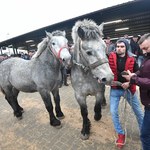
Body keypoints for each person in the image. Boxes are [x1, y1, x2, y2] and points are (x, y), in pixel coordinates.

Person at [108, 38, 144, 149]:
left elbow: (138, 73)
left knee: (138, 111)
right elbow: (104, 70)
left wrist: (129, 82)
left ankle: (145, 132)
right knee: (113, 112)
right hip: (115, 88)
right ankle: (120, 133)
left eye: (122, 46)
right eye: (118, 46)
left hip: (129, 89)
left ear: (126, 47)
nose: (119, 48)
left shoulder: (132, 59)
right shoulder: (110, 57)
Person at [122, 33, 150, 150]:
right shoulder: (147, 57)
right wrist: (135, 74)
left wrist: (133, 79)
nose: (143, 52)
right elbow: (143, 71)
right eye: (142, 49)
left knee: (144, 135)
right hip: (147, 103)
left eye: (146, 48)